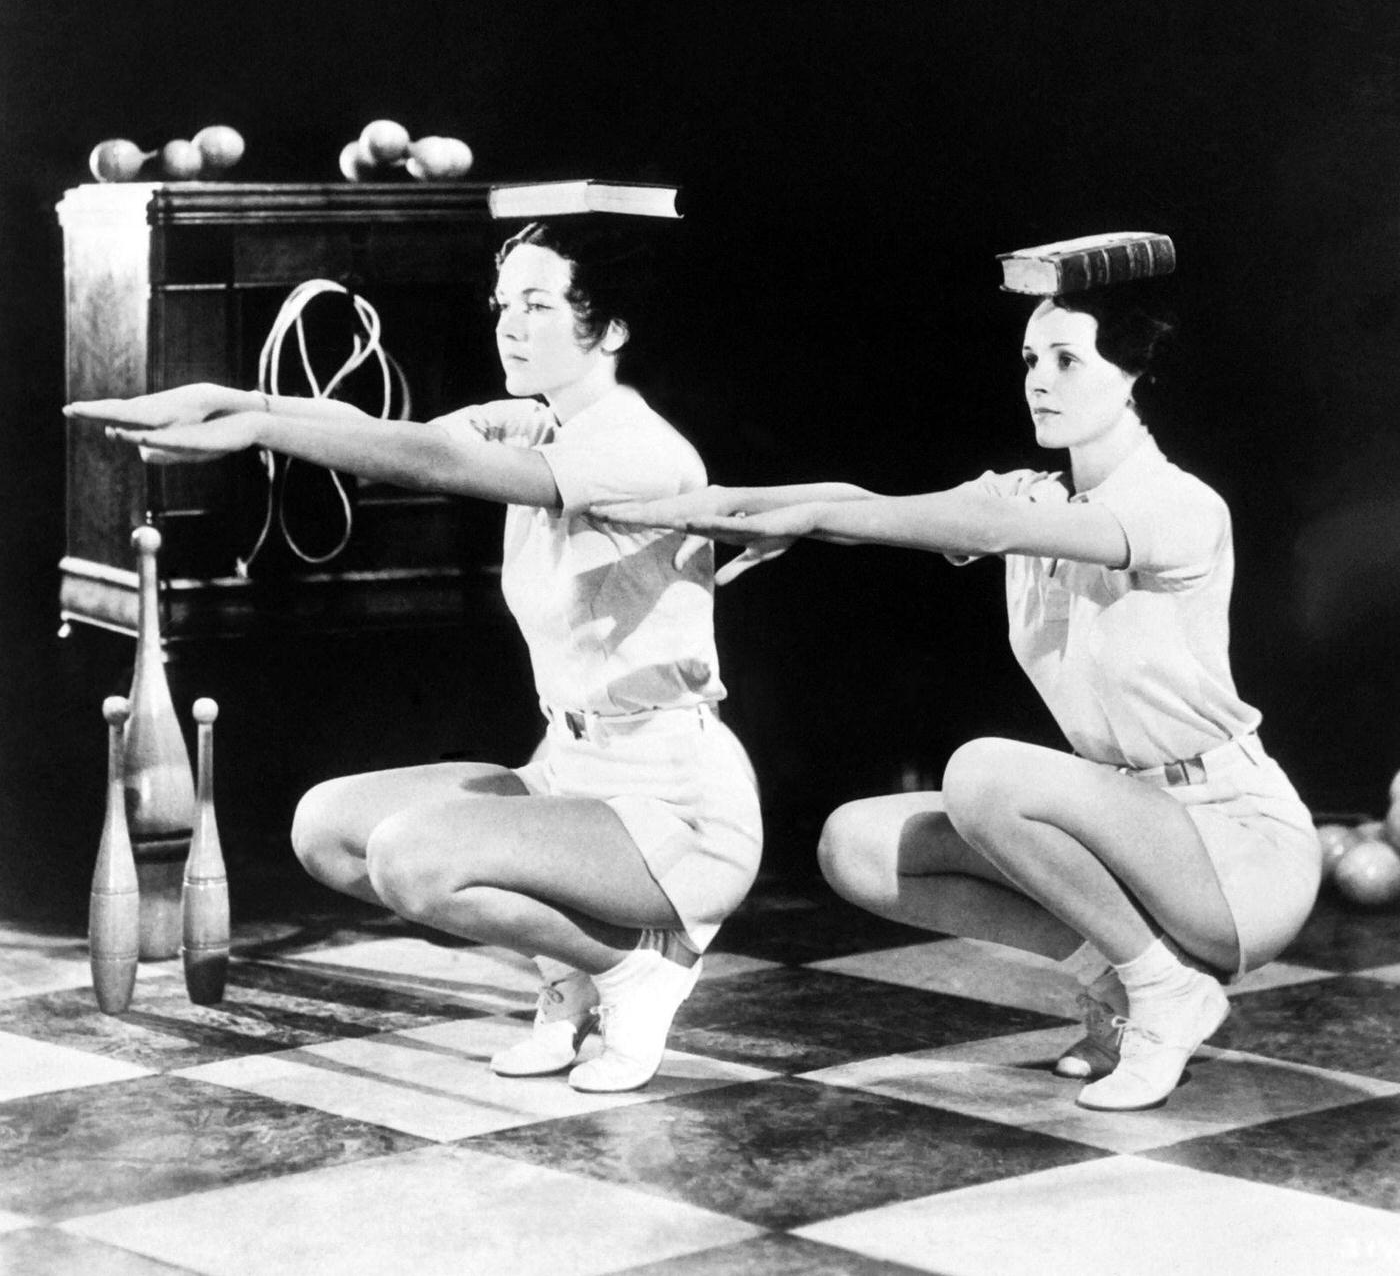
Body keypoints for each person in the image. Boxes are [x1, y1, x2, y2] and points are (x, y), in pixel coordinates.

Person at [66, 216, 763, 1093]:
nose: (508, 324)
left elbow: (428, 457)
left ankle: (636, 969)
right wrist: (229, 398)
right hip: (574, 773)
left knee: (409, 856)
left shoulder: (638, 449)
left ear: (611, 329)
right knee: (326, 828)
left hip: (678, 806)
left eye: (539, 305)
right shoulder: (540, 424)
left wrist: (251, 427)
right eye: (503, 303)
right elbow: (385, 431)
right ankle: (573, 971)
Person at [593, 277, 1321, 1111]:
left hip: (1238, 851)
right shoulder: (1036, 496)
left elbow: (984, 528)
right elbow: (873, 505)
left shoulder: (1181, 506)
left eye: (1066, 359)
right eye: (1029, 359)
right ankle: (1127, 985)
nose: (1038, 378)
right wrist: (715, 505)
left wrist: (805, 522)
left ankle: (1168, 991)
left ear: (1133, 378)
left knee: (983, 772)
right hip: (1130, 830)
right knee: (856, 843)